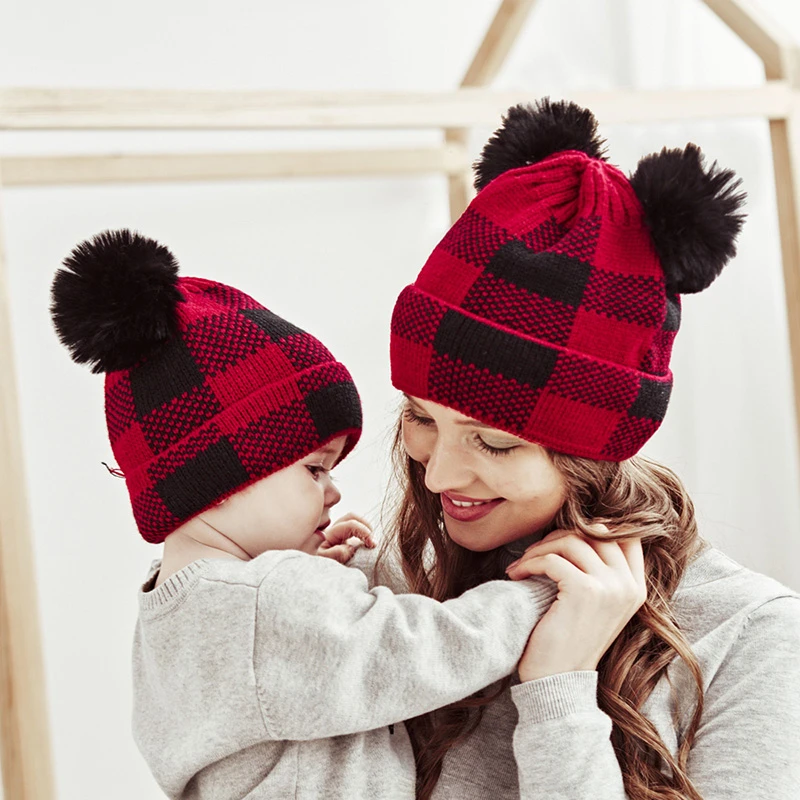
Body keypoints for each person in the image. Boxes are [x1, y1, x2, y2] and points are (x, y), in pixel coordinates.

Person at [382, 98, 800, 799]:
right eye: (421, 418)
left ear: (596, 451)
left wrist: (558, 694)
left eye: (495, 442)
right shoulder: (392, 589)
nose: (437, 475)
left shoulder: (750, 636)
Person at [49, 229, 559, 800]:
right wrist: (541, 591)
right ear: (215, 483)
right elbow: (426, 652)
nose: (334, 492)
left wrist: (323, 581)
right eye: (315, 470)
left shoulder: (185, 610)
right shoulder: (264, 602)